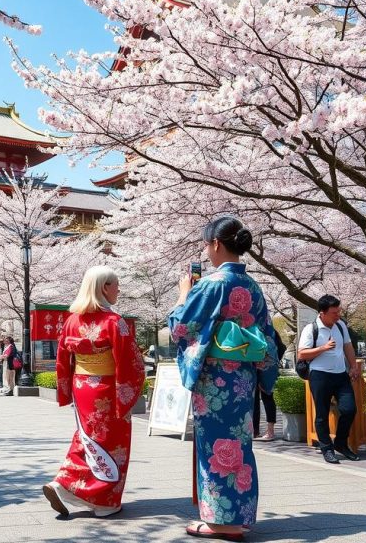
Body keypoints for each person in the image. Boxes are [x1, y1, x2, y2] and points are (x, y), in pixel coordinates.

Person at [167, 217, 276, 540]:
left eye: (205, 244)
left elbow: (180, 328)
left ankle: (221, 522)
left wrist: (183, 294)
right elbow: (266, 336)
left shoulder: (212, 284)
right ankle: (239, 515)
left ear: (216, 243)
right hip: (242, 380)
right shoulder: (251, 286)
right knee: (239, 446)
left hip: (214, 382)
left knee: (215, 445)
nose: (205, 250)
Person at [42, 266, 144, 519]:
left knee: (87, 436)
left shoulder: (72, 320)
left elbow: (62, 359)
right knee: (112, 441)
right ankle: (104, 501)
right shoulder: (114, 322)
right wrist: (126, 395)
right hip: (108, 389)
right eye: (115, 285)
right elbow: (131, 362)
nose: (118, 289)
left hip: (82, 386)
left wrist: (67, 390)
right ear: (103, 288)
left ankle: (64, 483)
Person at [298, 295, 360, 464]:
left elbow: (348, 346)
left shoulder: (340, 326)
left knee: (349, 410)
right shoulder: (311, 329)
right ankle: (327, 448)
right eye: (334, 312)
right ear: (322, 313)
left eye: (338, 311)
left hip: (340, 374)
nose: (338, 315)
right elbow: (301, 354)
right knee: (322, 414)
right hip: (319, 375)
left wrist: (353, 366)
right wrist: (323, 348)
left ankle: (340, 443)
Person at [253, 328, 287, 442]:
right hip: (269, 368)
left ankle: (255, 431)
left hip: (253, 367)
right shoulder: (271, 331)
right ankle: (270, 430)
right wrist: (274, 362)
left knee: (254, 399)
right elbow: (282, 347)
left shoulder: (250, 329)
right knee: (267, 397)